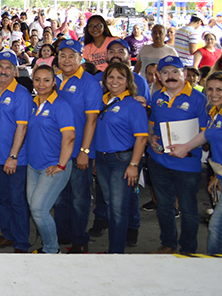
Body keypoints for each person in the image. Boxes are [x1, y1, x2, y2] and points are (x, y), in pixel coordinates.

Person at [147, 55, 209, 254]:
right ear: (159, 76)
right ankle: (168, 244)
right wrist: (150, 138)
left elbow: (206, 132)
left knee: (188, 209)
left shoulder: (199, 99)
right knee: (164, 206)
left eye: (175, 72)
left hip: (186, 164)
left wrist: (187, 147)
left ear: (185, 74)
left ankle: (188, 248)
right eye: (165, 72)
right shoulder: (157, 96)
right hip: (158, 161)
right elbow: (152, 123)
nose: (170, 76)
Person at [53, 39, 103, 254]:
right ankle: (63, 233)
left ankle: (79, 239)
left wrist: (84, 151)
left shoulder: (89, 83)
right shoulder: (55, 81)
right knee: (60, 196)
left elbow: (92, 120)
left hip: (78, 151)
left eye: (71, 56)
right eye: (62, 55)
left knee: (79, 198)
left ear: (80, 58)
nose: (66, 60)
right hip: (57, 150)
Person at [93, 62, 148, 253]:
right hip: (102, 159)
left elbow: (141, 138)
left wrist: (134, 165)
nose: (114, 81)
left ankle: (115, 252)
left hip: (122, 161)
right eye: (111, 77)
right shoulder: (101, 101)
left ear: (128, 81)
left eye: (120, 77)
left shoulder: (133, 105)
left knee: (118, 209)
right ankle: (115, 248)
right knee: (110, 204)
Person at [25, 65, 75, 254]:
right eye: (37, 79)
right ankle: (49, 246)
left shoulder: (60, 105)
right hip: (33, 166)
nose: (41, 84)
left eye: (46, 80)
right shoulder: (33, 103)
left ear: (54, 82)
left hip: (53, 167)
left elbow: (69, 137)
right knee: (36, 208)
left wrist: (61, 165)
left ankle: (52, 250)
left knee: (38, 210)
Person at [0, 51, 33, 253]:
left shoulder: (21, 94)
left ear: (15, 70)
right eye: (0, 67)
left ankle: (22, 242)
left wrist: (13, 157)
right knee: (3, 199)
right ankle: (8, 235)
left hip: (15, 159)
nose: (3, 71)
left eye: (8, 67)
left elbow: (22, 128)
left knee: (17, 201)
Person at [172, 71, 222, 254]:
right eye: (210, 89)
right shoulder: (215, 112)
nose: (213, 93)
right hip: (220, 176)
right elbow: (205, 135)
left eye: (219, 90)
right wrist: (184, 147)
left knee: (216, 227)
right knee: (217, 227)